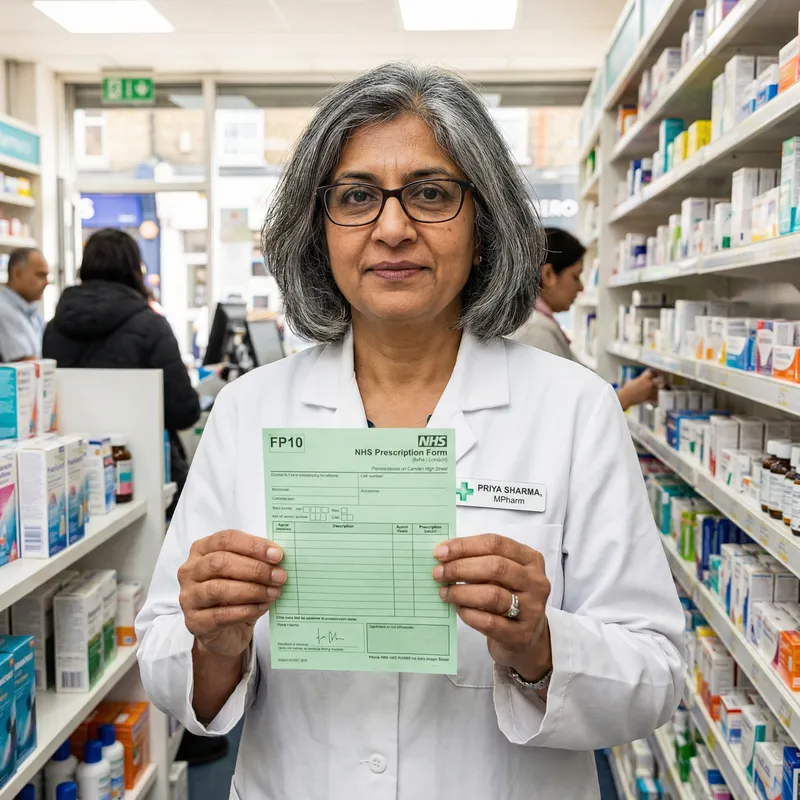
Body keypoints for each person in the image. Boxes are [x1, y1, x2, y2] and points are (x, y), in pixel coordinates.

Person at [136, 63, 684, 800]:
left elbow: (656, 676)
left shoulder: (573, 407)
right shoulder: (249, 410)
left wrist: (539, 644)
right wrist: (216, 643)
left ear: (484, 226)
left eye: (431, 193)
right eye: (357, 197)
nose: (393, 229)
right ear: (318, 228)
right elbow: (171, 665)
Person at [42, 228, 200, 500]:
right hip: (145, 470)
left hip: (71, 472)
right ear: (133, 268)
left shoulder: (53, 328)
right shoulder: (151, 325)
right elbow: (184, 412)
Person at [512, 226, 661, 410]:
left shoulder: (533, 322)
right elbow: (562, 413)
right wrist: (625, 397)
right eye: (575, 276)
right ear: (548, 274)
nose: (581, 287)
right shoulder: (535, 329)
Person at [0, 247, 49, 361]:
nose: (46, 282)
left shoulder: (32, 312)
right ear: (17, 273)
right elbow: (25, 363)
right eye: (40, 275)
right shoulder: (3, 312)